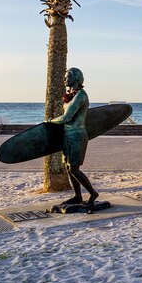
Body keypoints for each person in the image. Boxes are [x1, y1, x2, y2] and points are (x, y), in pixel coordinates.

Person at [48, 67, 98, 205]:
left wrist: (50, 121)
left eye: (67, 77)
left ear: (76, 78)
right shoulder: (72, 95)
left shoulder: (81, 95)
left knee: (74, 169)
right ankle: (77, 196)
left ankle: (93, 193)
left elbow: (66, 117)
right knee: (69, 168)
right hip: (68, 135)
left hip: (77, 136)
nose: (64, 79)